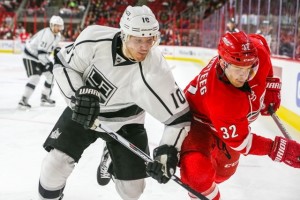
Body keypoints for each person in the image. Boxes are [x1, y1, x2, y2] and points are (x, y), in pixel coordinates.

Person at [37, 5, 190, 200]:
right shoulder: (94, 38)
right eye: (138, 40)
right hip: (84, 111)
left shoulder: (157, 70)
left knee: (133, 191)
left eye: (150, 39)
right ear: (124, 35)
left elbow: (179, 118)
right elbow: (63, 64)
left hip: (127, 123)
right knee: (53, 168)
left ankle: (110, 155)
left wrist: (168, 151)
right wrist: (77, 96)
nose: (145, 46)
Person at [179, 31, 300, 200]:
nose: (243, 77)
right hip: (198, 124)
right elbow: (243, 143)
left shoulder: (257, 53)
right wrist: (278, 148)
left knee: (223, 174)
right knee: (197, 176)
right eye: (237, 70)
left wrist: (271, 84)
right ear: (222, 62)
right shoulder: (220, 98)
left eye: (249, 70)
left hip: (226, 124)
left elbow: (260, 41)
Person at [18, 15, 64, 110]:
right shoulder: (47, 34)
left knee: (51, 75)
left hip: (40, 57)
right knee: (35, 77)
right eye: (56, 25)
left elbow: (52, 48)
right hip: (30, 56)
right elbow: (41, 53)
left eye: (59, 26)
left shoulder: (58, 36)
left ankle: (45, 97)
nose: (57, 28)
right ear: (51, 25)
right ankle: (23, 100)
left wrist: (56, 54)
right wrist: (49, 63)